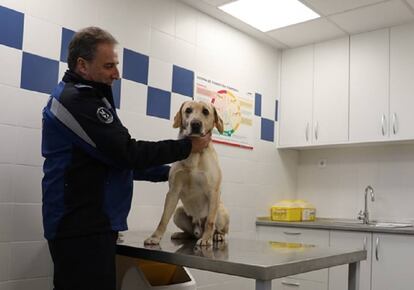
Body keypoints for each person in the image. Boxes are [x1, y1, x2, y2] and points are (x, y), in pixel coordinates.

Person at [41, 26, 211, 290]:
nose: (116, 74)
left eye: (115, 65)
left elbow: (114, 163)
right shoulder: (75, 101)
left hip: (91, 225)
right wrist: (187, 148)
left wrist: (173, 172)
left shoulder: (91, 98)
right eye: (109, 66)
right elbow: (127, 153)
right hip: (79, 227)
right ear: (82, 65)